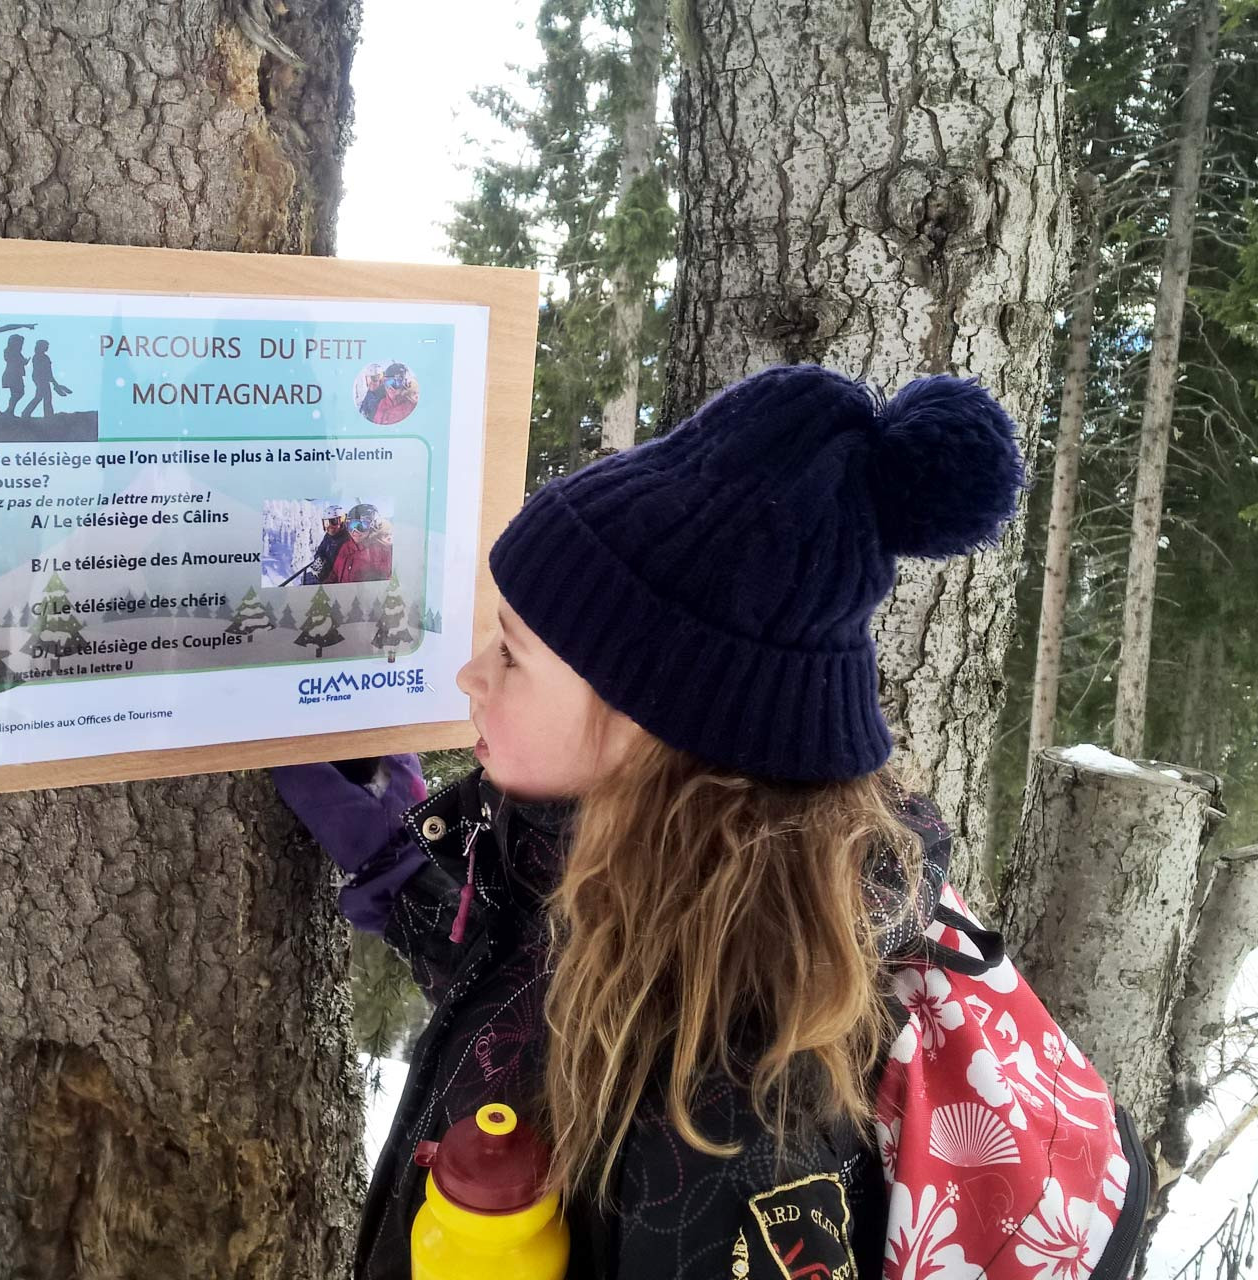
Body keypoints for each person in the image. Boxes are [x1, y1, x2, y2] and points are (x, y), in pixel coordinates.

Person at [271, 365, 1148, 1279]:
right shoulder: (672, 876)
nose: (471, 677)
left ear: (657, 725)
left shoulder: (729, 1109)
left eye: (512, 655)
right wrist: (410, 879)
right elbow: (553, 983)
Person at [324, 502, 392, 584]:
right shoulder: (346, 547)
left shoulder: (382, 551)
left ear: (373, 526)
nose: (354, 531)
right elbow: (335, 573)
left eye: (362, 526)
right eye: (351, 525)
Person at [22, 339, 70, 418]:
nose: (47, 347)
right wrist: (53, 382)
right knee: (44, 396)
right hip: (40, 379)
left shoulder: (44, 357)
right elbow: (42, 370)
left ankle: (45, 414)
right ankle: (44, 414)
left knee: (42, 396)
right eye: (46, 346)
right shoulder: (38, 357)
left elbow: (48, 371)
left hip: (42, 378)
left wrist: (54, 382)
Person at [306, 505, 349, 585]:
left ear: (342, 521)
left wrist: (328, 569)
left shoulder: (348, 539)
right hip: (324, 574)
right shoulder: (328, 536)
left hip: (335, 579)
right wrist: (320, 559)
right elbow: (320, 550)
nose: (330, 527)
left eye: (333, 522)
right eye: (326, 523)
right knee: (305, 579)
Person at [0, 333, 30, 416]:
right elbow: (12, 360)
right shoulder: (9, 351)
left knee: (18, 393)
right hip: (12, 375)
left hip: (16, 375)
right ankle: (9, 411)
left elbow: (20, 361)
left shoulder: (16, 352)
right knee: (16, 393)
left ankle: (10, 410)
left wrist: (24, 362)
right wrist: (23, 361)